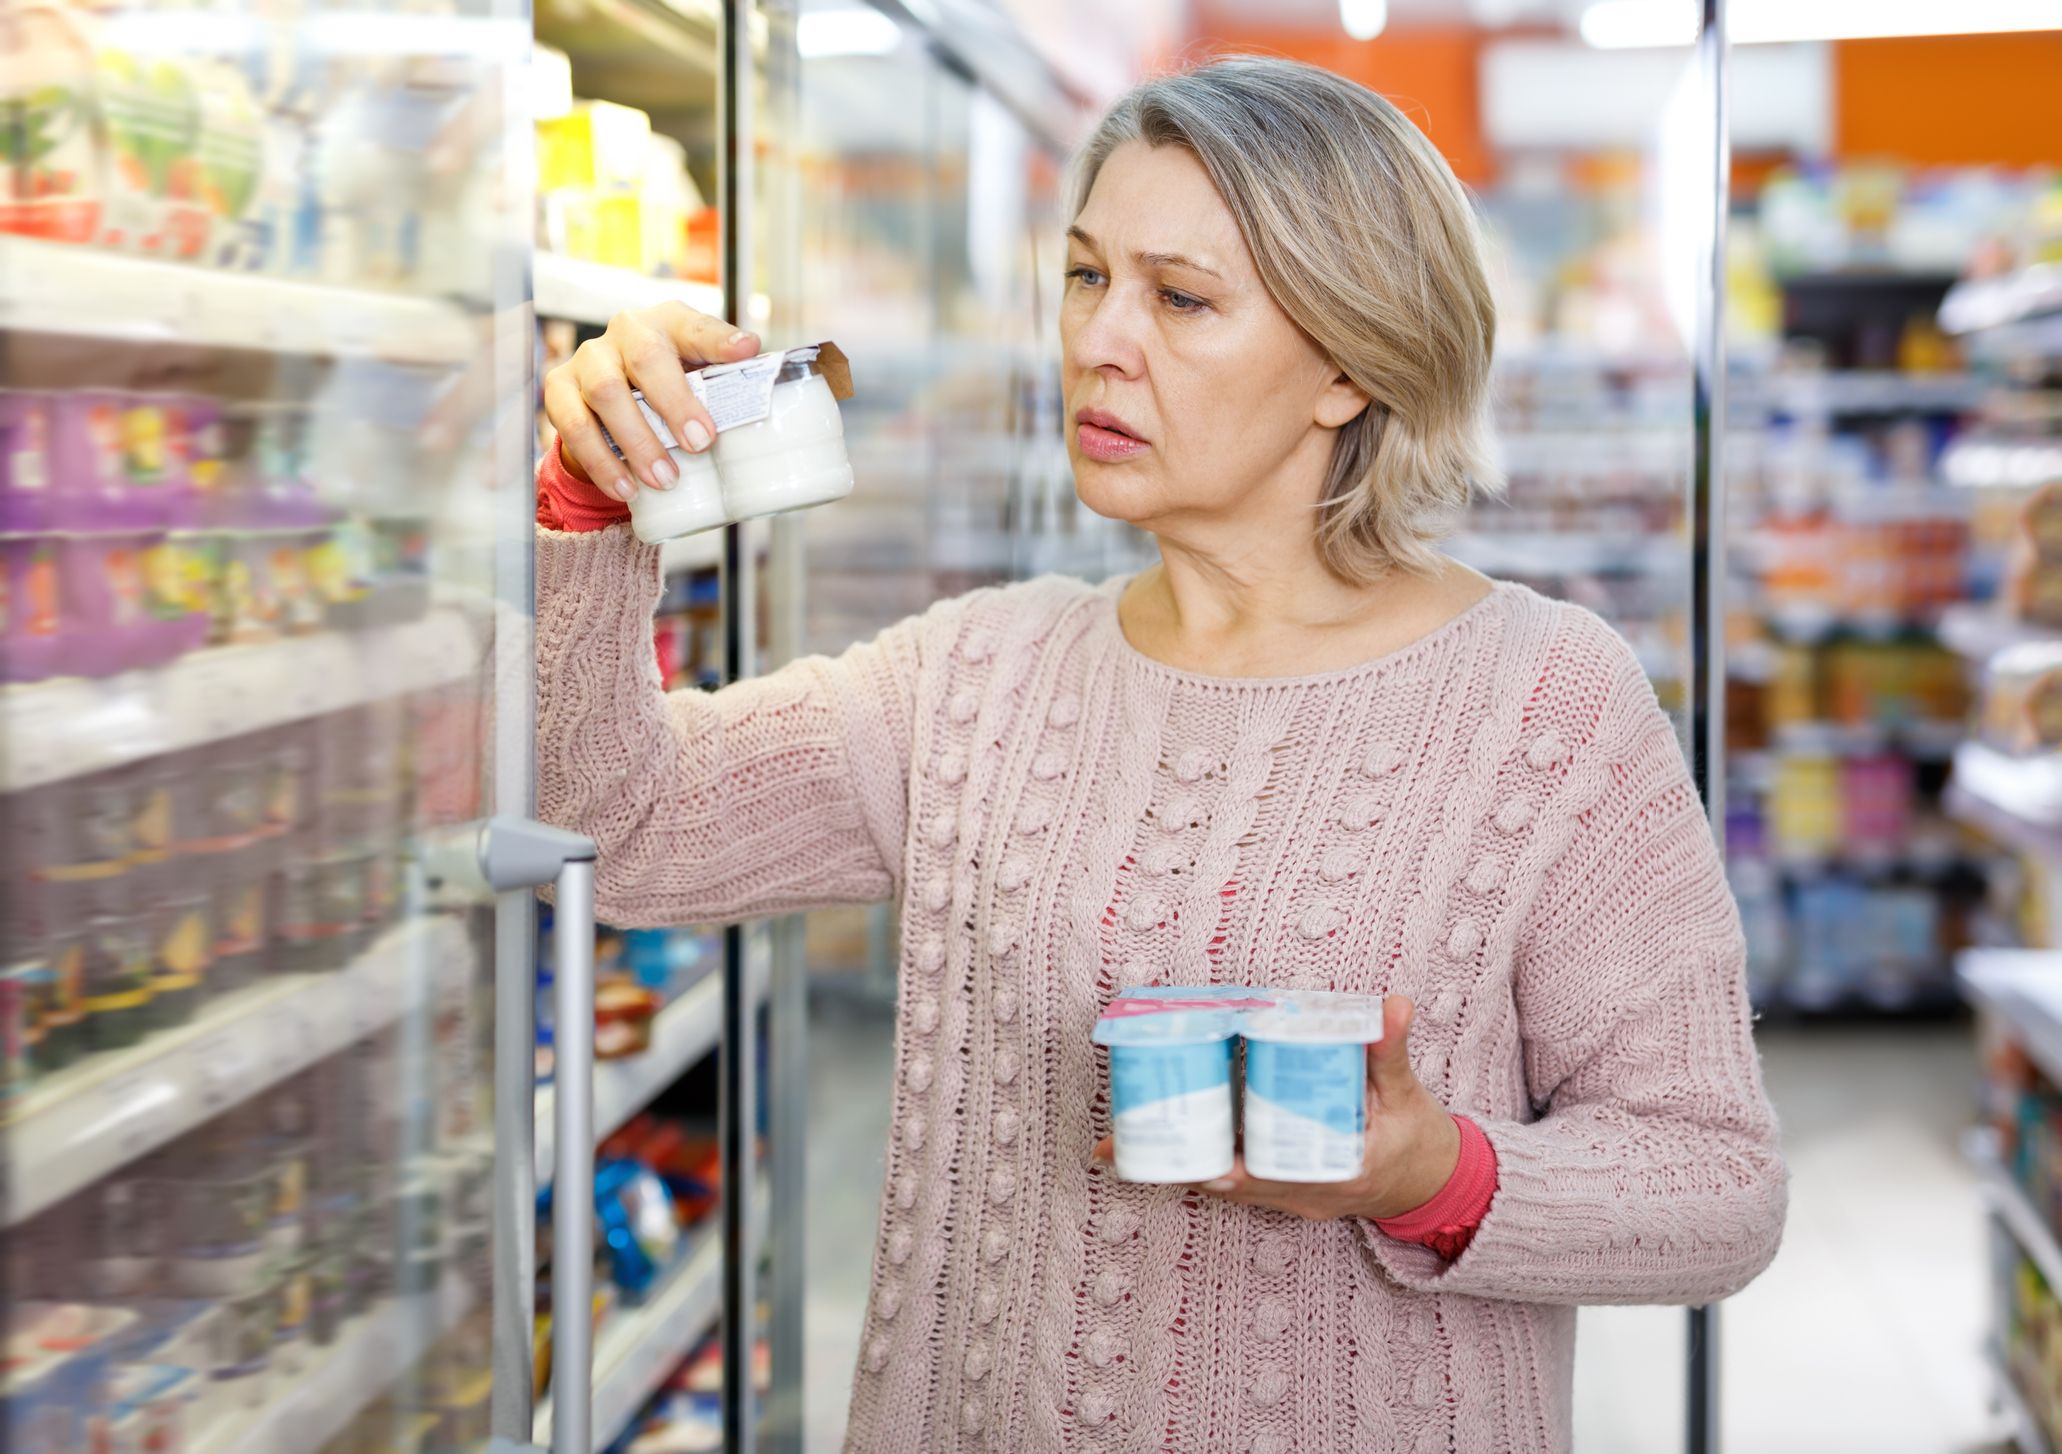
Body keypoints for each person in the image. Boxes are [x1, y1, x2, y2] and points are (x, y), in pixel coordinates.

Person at [533, 54, 1786, 1454]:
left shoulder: (1544, 705)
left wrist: (1435, 1172)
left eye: (1179, 298)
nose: (1098, 340)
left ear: (1349, 364)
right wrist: (585, 511)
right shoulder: (976, 676)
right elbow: (614, 827)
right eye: (1084, 277)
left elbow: (1713, 1183)